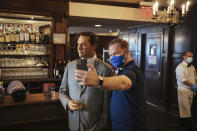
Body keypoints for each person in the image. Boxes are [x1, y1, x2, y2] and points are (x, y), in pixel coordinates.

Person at [75, 39, 146, 131]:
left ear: (127, 52)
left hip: (131, 126)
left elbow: (123, 82)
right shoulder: (121, 71)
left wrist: (98, 81)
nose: (113, 58)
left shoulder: (132, 71)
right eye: (111, 55)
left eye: (116, 54)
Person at [59, 32, 112, 131]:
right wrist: (68, 103)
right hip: (74, 124)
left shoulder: (106, 69)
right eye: (78, 44)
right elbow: (62, 91)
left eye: (83, 44)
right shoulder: (70, 66)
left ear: (94, 46)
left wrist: (99, 127)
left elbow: (107, 104)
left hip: (94, 126)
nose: (78, 48)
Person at [175, 51, 197, 130]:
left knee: (188, 107)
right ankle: (189, 126)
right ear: (184, 57)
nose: (190, 58)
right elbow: (183, 80)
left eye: (192, 57)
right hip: (183, 90)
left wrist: (195, 85)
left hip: (191, 91)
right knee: (185, 108)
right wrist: (193, 85)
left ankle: (181, 122)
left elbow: (195, 77)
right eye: (189, 56)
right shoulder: (180, 67)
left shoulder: (192, 67)